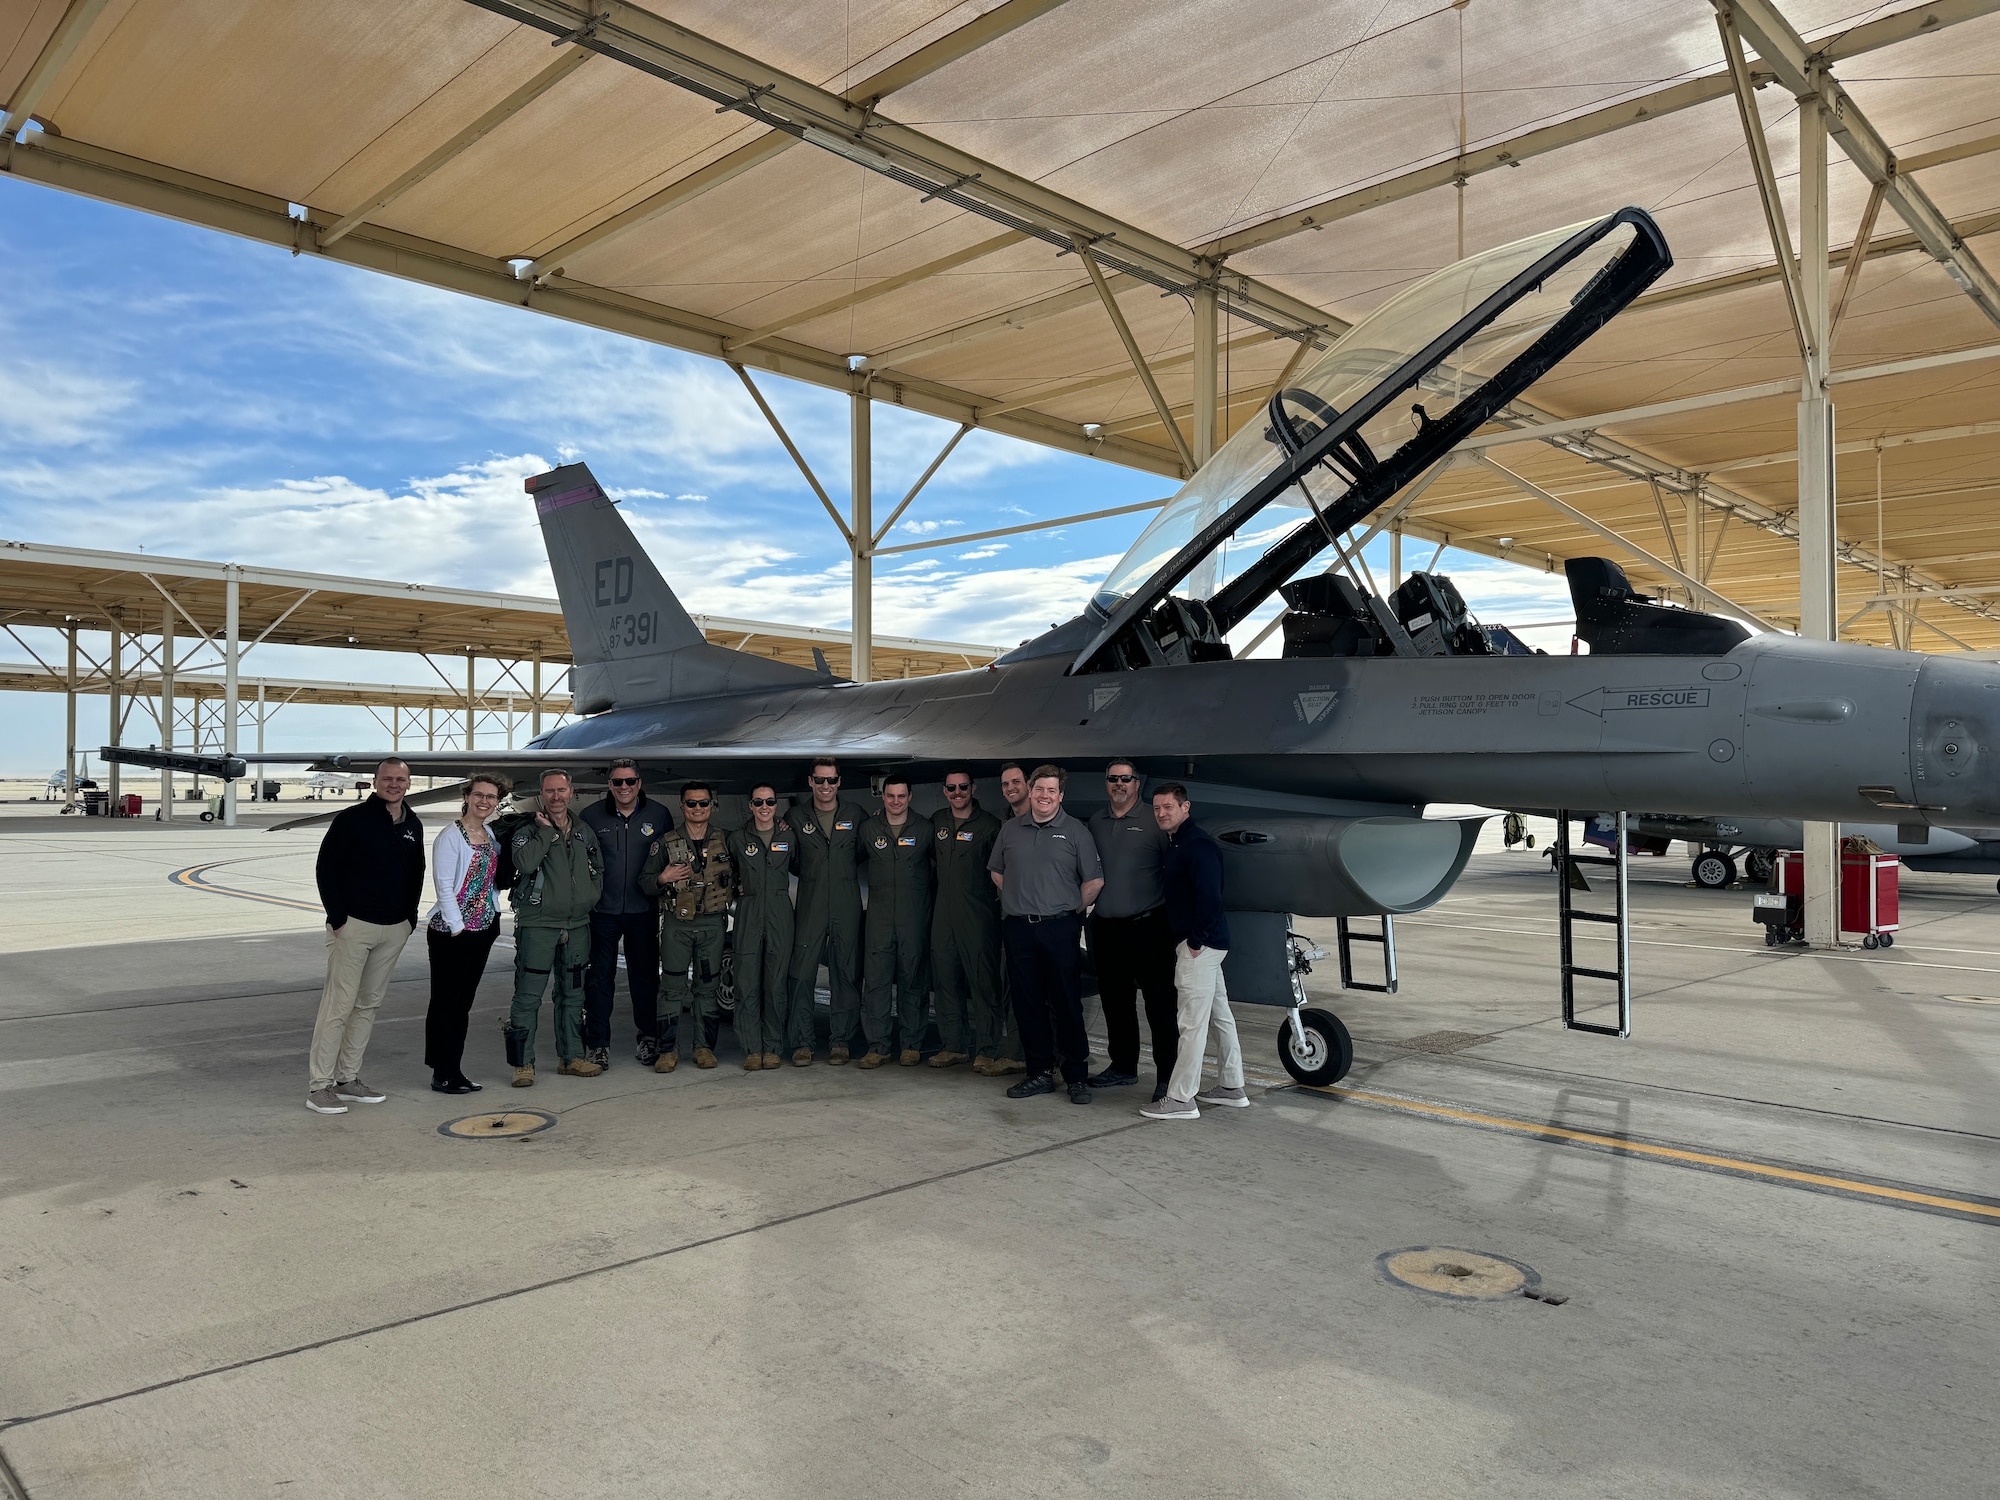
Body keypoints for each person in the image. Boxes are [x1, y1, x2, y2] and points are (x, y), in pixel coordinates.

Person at [306, 757, 427, 1114]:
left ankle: (348, 1079)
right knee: (338, 1006)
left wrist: (410, 918)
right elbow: (326, 868)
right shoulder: (352, 820)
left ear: (408, 783)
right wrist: (338, 917)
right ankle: (320, 1087)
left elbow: (416, 872)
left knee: (368, 1005)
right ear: (375, 781)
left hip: (394, 928)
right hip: (354, 925)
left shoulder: (412, 823)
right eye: (387, 779)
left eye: (400, 779)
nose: (394, 784)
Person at [987, 764, 1103, 1105]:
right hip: (1019, 927)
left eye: (1051, 791)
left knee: (1066, 1003)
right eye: (1039, 790)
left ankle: (1077, 1076)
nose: (1044, 796)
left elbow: (1094, 881)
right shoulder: (1010, 830)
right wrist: (1022, 898)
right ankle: (1038, 1072)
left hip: (1059, 927)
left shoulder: (1076, 832)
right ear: (1030, 792)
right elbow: (997, 873)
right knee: (1027, 1003)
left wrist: (1066, 909)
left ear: (1060, 796)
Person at [1142, 783, 1247, 1121]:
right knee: (1220, 1016)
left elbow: (1210, 897)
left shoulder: (1197, 845)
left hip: (1200, 946)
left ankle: (1181, 1098)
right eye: (1157, 808)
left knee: (1191, 1023)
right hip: (1208, 944)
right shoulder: (1179, 843)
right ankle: (1232, 1087)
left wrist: (1196, 942)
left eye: (1168, 807)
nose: (1161, 813)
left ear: (1185, 807)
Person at [505, 768, 605, 1086]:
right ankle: (523, 1064)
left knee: (573, 995)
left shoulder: (583, 831)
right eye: (550, 791)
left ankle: (572, 1057)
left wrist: (590, 896)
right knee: (528, 996)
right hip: (538, 924)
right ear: (541, 794)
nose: (556, 796)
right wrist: (547, 833)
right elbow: (524, 863)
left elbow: (597, 868)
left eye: (561, 790)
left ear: (571, 792)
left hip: (576, 925)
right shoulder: (526, 830)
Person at [1086, 759, 1179, 1100]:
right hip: (1108, 930)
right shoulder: (1097, 821)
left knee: (1160, 1006)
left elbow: (1175, 874)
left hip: (1149, 928)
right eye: (1113, 779)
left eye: (1126, 778)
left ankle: (1168, 1076)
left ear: (1137, 784)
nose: (1119, 784)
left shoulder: (1155, 821)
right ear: (1106, 783)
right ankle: (1123, 1067)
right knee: (1116, 1003)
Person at [580, 758, 673, 1069]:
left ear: (639, 783)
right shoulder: (591, 816)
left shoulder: (658, 815)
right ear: (609, 785)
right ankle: (598, 1044)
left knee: (645, 979)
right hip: (602, 912)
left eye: (630, 781)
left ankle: (648, 1038)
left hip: (642, 910)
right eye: (618, 782)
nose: (624, 787)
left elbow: (673, 854)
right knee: (599, 979)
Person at [423, 771, 511, 1095]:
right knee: (446, 1002)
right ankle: (441, 1072)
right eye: (479, 795)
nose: (484, 801)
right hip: (452, 932)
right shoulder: (451, 836)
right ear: (467, 796)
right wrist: (459, 929)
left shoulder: (488, 833)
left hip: (483, 928)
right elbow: (444, 886)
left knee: (463, 1004)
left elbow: (490, 882)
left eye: (491, 797)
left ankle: (454, 1069)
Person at [929, 769, 1017, 1075]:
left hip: (977, 917)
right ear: (944, 791)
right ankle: (953, 1045)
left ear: (973, 788)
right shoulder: (938, 822)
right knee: (945, 981)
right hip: (943, 915)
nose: (957, 792)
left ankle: (987, 1048)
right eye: (951, 788)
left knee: (982, 983)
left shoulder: (990, 826)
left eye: (962, 787)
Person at [642, 782, 735, 1070]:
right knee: (671, 988)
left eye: (703, 803)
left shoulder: (727, 839)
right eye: (691, 803)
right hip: (677, 926)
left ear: (712, 806)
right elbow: (644, 882)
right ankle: (668, 1051)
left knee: (708, 989)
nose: (698, 808)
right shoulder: (665, 843)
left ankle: (704, 1048)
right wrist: (663, 878)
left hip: (712, 926)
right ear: (682, 806)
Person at [788, 758, 867, 1064]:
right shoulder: (795, 817)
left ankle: (841, 1042)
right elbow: (792, 858)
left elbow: (861, 852)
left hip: (846, 903)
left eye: (831, 780)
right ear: (810, 782)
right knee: (801, 974)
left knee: (846, 973)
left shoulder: (854, 815)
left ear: (838, 782)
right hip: (811, 903)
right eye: (819, 780)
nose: (825, 787)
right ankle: (803, 1043)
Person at [859, 774, 934, 1068]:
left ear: (910, 797)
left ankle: (911, 1045)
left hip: (913, 918)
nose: (896, 802)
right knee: (875, 983)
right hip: (878, 918)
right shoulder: (869, 829)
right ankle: (877, 1046)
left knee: (913, 981)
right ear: (883, 797)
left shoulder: (925, 830)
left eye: (901, 796)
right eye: (890, 796)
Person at [729, 783, 796, 1070]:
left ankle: (772, 1047)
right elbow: (726, 874)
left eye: (770, 801)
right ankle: (751, 1048)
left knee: (776, 984)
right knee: (746, 983)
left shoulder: (789, 836)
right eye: (759, 802)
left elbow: (805, 866)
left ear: (776, 804)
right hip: (749, 911)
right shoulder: (737, 839)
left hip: (780, 912)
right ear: (750, 806)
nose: (765, 807)